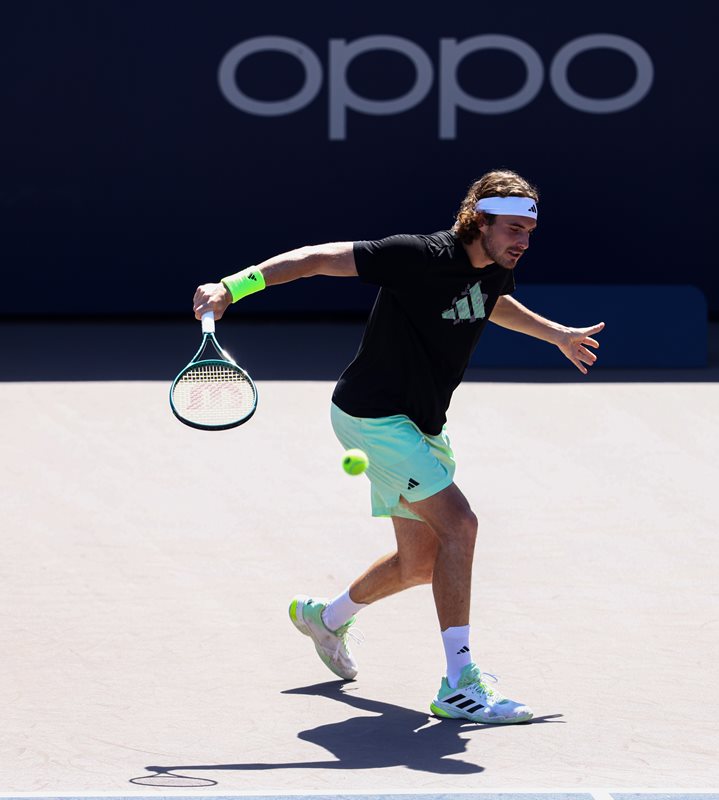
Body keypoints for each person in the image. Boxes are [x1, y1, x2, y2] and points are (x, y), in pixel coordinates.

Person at [192, 169, 604, 724]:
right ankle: (459, 684)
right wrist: (232, 287)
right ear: (478, 221)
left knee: (420, 563)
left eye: (529, 231)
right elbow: (317, 258)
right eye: (513, 229)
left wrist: (556, 334)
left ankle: (326, 618)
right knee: (461, 526)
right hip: (374, 416)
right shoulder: (417, 255)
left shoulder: (494, 267)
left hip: (420, 423)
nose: (523, 242)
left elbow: (490, 301)